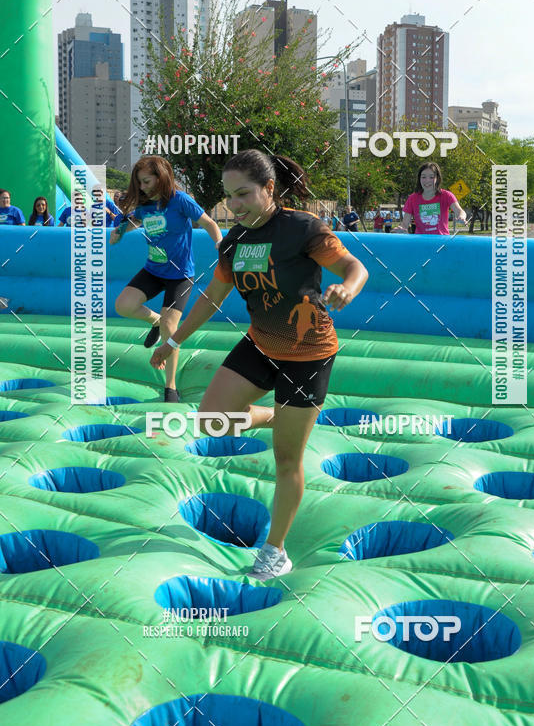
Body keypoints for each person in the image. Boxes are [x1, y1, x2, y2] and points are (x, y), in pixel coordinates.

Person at [150, 149, 369, 580]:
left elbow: (352, 266)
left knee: (287, 460)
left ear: (269, 189)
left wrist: (349, 287)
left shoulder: (302, 228)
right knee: (212, 420)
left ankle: (275, 550)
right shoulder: (234, 240)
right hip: (261, 344)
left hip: (308, 354)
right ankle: (278, 417)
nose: (235, 205)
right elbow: (213, 297)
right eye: (229, 197)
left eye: (244, 194)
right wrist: (173, 339)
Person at [111, 155, 222, 402]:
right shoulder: (145, 205)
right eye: (139, 182)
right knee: (123, 305)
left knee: (171, 330)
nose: (142, 187)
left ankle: (170, 387)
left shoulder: (180, 201)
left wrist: (219, 243)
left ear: (161, 178)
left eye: (147, 181)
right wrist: (118, 232)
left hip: (179, 275)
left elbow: (209, 223)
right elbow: (133, 221)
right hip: (153, 270)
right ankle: (155, 321)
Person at [395, 163, 468, 234]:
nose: (427, 180)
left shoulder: (447, 196)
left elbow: (460, 211)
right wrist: (401, 229)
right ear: (419, 178)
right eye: (423, 177)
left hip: (442, 242)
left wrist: (461, 217)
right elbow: (404, 225)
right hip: (421, 243)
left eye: (431, 177)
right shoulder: (412, 198)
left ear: (437, 178)